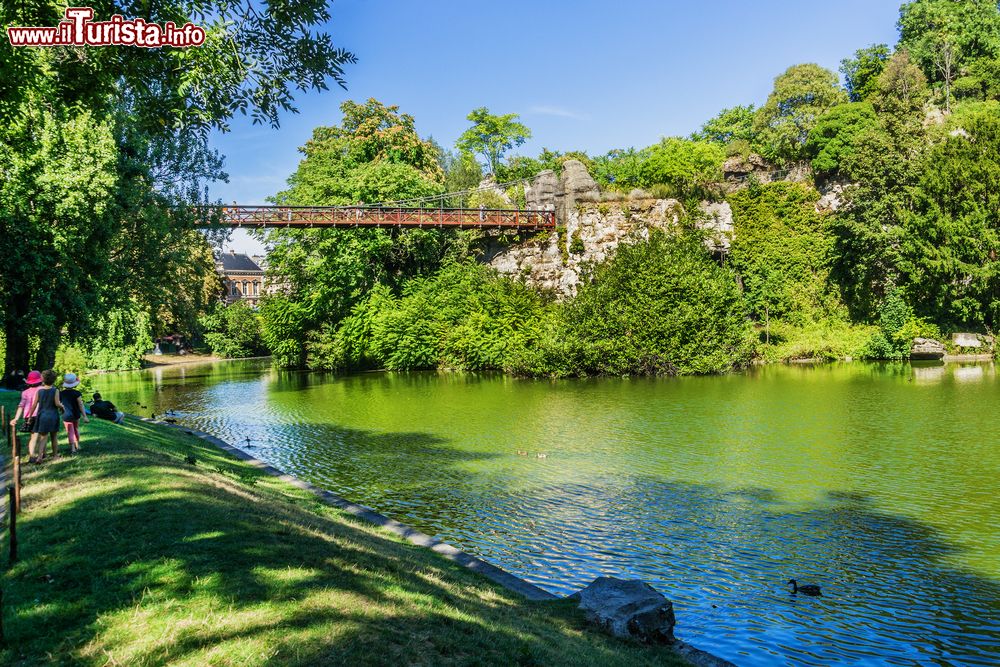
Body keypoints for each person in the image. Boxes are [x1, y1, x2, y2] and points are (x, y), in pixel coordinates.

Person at [26, 369, 64, 463]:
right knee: (54, 437)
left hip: (42, 416)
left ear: (43, 380)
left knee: (43, 437)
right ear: (54, 380)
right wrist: (62, 407)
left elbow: (34, 405)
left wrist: (30, 416)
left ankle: (39, 457)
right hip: (53, 416)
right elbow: (57, 403)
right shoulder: (55, 390)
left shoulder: (39, 392)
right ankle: (55, 456)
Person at [60, 373, 89, 454]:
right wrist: (85, 416)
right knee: (76, 429)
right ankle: (77, 445)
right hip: (76, 414)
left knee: (70, 431)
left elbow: (59, 404)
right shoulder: (77, 393)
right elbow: (81, 404)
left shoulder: (61, 393)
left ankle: (72, 448)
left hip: (66, 415)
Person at [8, 370, 42, 436]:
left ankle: (32, 447)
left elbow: (21, 406)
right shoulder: (42, 389)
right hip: (40, 414)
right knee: (42, 435)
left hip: (29, 416)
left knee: (33, 436)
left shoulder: (25, 392)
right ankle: (41, 446)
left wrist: (16, 418)